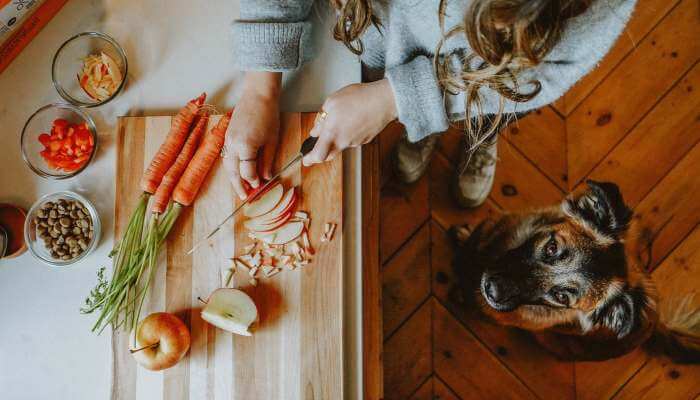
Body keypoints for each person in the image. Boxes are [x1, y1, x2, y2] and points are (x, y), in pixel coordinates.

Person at [224, 0, 636, 207]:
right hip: (374, 33)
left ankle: (478, 135)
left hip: (486, 83)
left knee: (482, 116)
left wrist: (397, 98)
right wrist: (262, 87)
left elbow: (538, 70)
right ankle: (424, 129)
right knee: (416, 113)